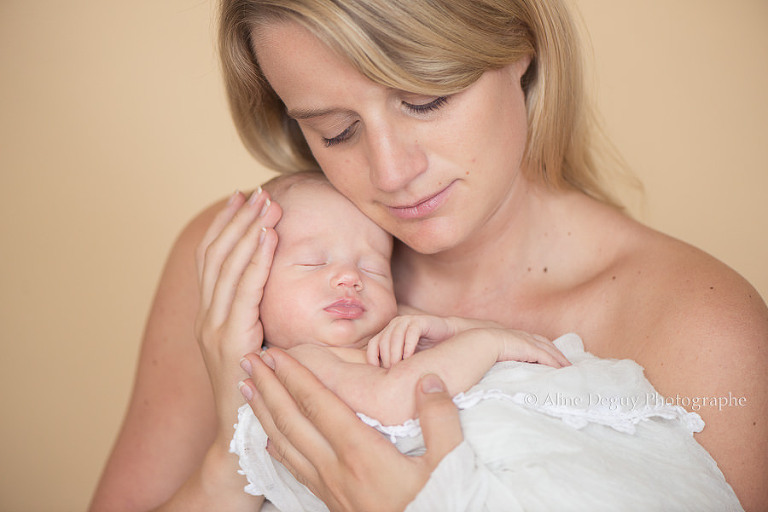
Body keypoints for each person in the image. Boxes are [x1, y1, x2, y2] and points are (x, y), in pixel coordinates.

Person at [88, 0, 768, 511]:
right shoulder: (248, 262)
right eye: (337, 130)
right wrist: (230, 463)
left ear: (518, 48)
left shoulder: (701, 331)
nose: (390, 172)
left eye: (425, 100)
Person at [230, 172, 741, 512]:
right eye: (314, 263)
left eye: (372, 267)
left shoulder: (384, 329)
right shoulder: (300, 363)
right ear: (252, 287)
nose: (349, 279)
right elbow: (395, 401)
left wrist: (451, 329)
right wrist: (489, 343)